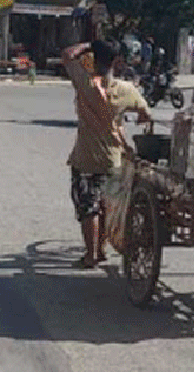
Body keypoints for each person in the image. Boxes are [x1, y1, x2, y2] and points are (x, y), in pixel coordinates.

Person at [63, 39, 151, 269]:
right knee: (105, 204)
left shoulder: (86, 84)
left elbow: (67, 54)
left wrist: (88, 44)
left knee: (88, 206)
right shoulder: (126, 89)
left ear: (93, 60)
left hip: (87, 157)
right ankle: (102, 248)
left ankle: (92, 254)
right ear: (116, 62)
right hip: (115, 158)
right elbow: (145, 114)